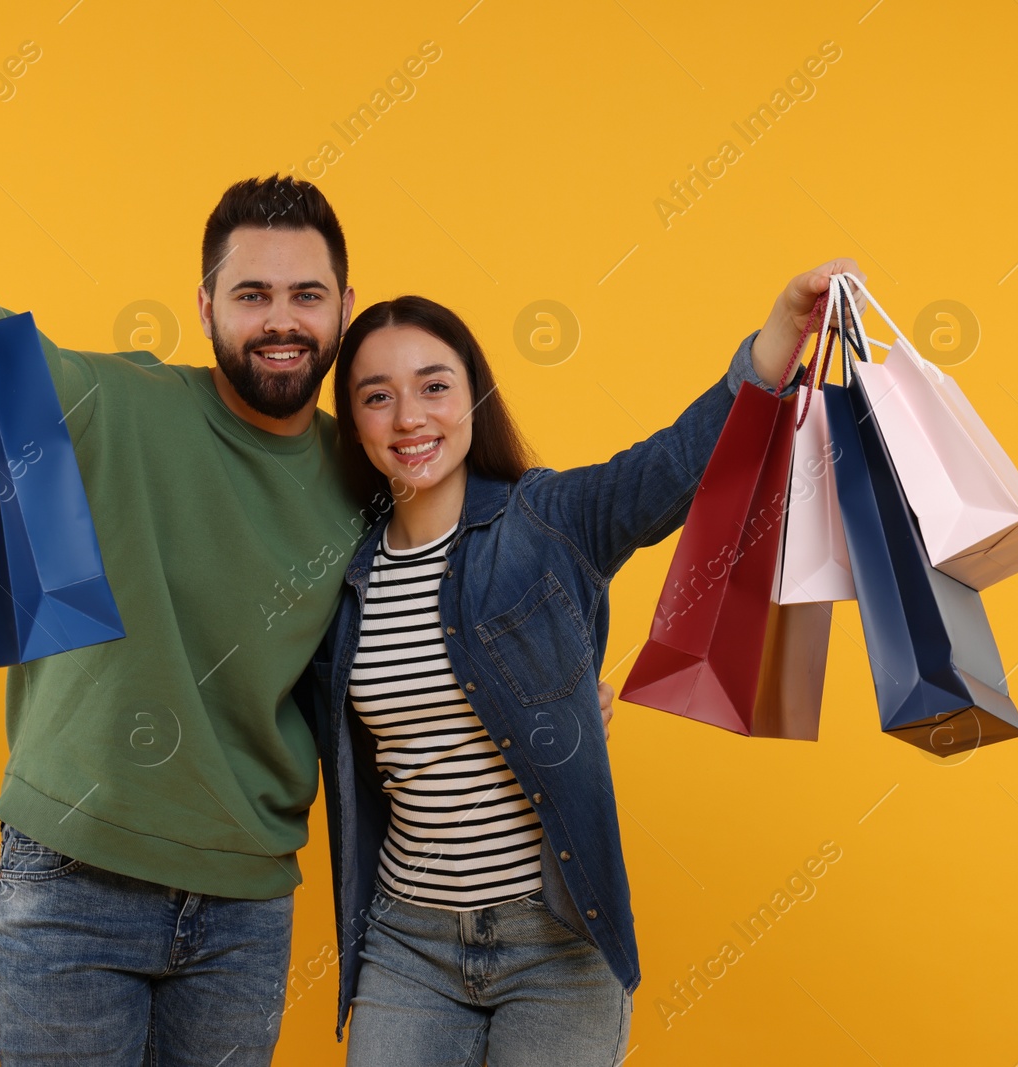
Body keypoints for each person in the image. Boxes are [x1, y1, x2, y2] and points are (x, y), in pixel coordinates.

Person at [0, 169, 620, 1065]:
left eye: (306, 295)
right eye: (252, 295)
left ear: (343, 309)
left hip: (244, 906)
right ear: (205, 306)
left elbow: (485, 562)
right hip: (75, 885)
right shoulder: (125, 405)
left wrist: (552, 680)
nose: (281, 320)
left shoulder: (364, 477)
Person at [307, 263, 862, 1066]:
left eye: (434, 386)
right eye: (376, 395)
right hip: (407, 943)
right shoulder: (345, 575)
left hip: (555, 944)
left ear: (474, 398)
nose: (408, 417)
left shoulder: (546, 519)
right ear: (352, 419)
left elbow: (670, 467)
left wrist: (779, 334)